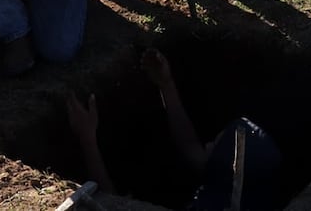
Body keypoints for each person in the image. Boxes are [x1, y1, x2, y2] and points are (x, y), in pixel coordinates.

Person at [66, 48, 283, 209]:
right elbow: (192, 150)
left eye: (215, 144)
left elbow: (109, 205)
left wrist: (87, 140)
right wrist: (167, 86)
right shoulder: (246, 196)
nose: (207, 144)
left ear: (225, 169)